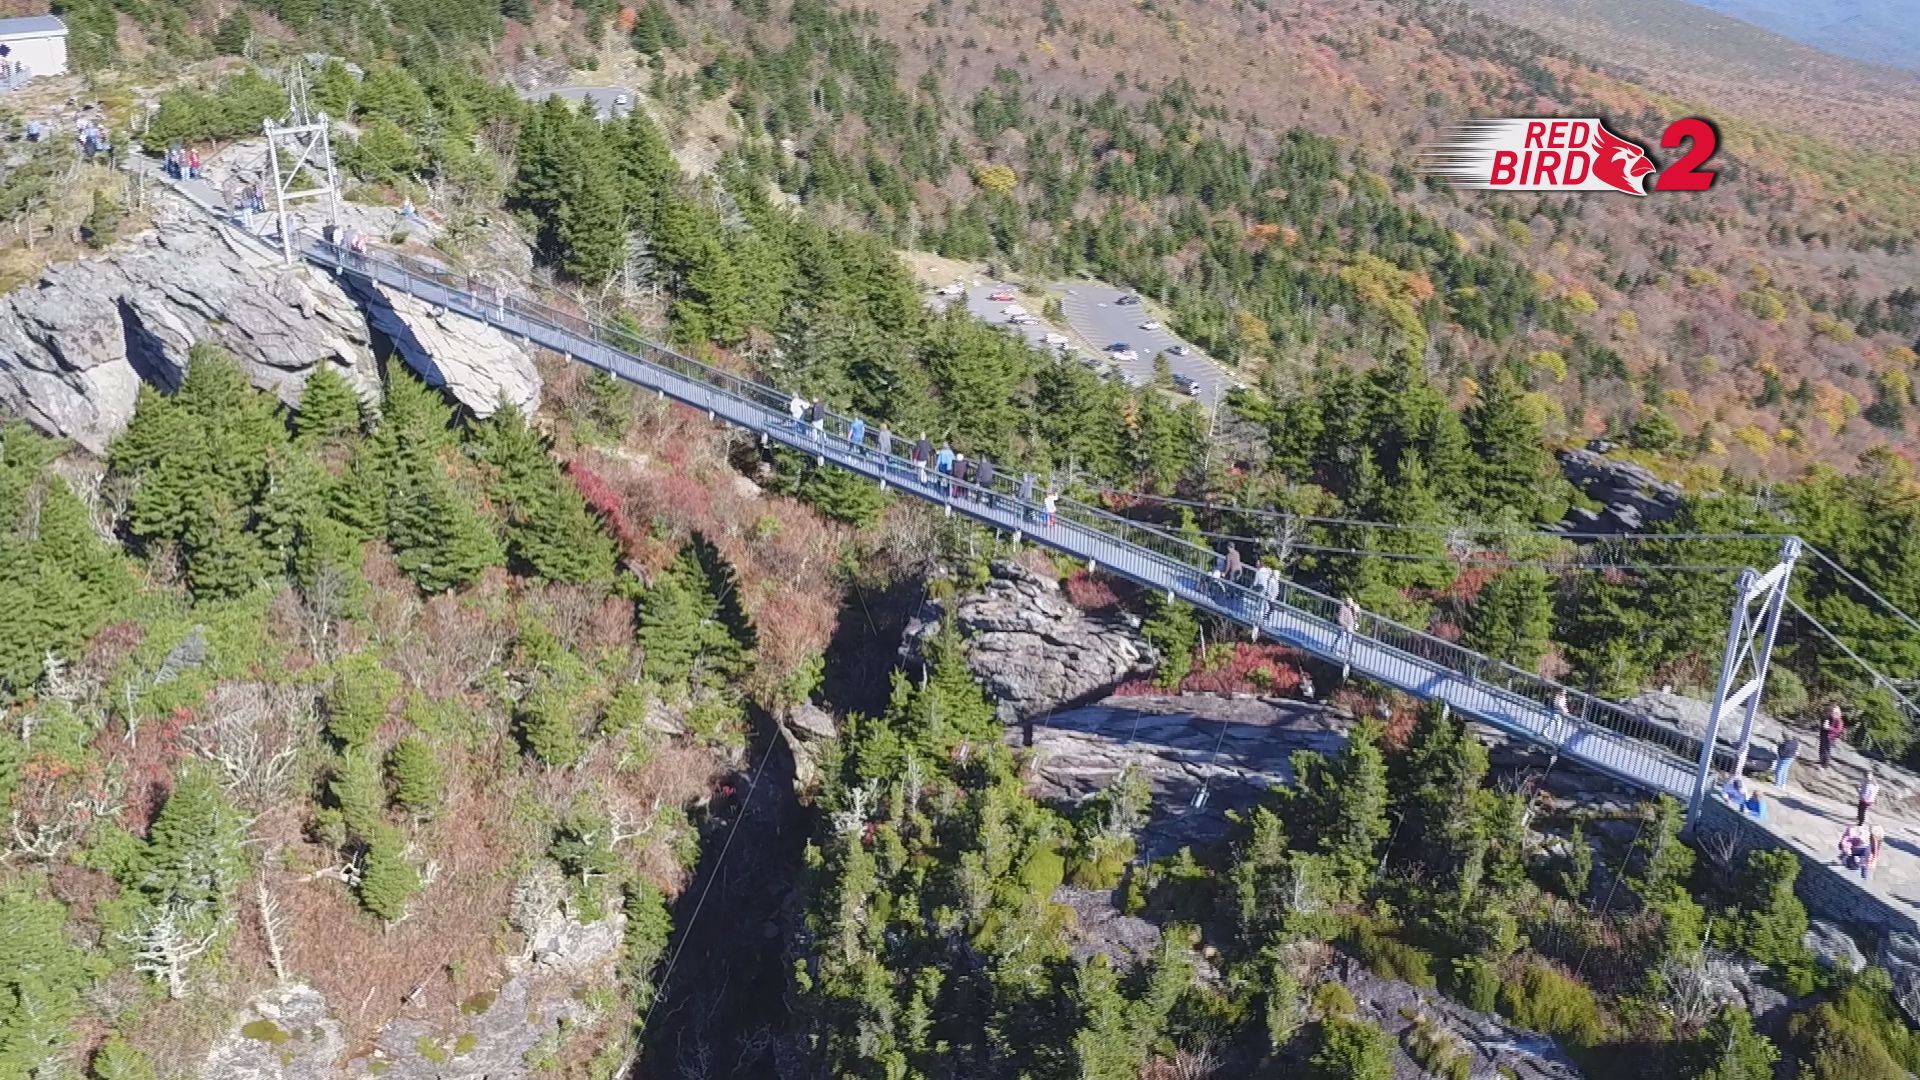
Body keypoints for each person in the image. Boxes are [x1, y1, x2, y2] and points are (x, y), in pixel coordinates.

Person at [1336, 595, 1359, 659]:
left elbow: (1355, 619)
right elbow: (1340, 619)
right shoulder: (1343, 608)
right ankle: (1337, 649)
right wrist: (1346, 626)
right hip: (1344, 627)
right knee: (1342, 637)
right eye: (1351, 603)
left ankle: (1349, 651)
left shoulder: (1352, 610)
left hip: (1350, 628)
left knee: (1350, 639)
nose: (1352, 604)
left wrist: (1356, 612)